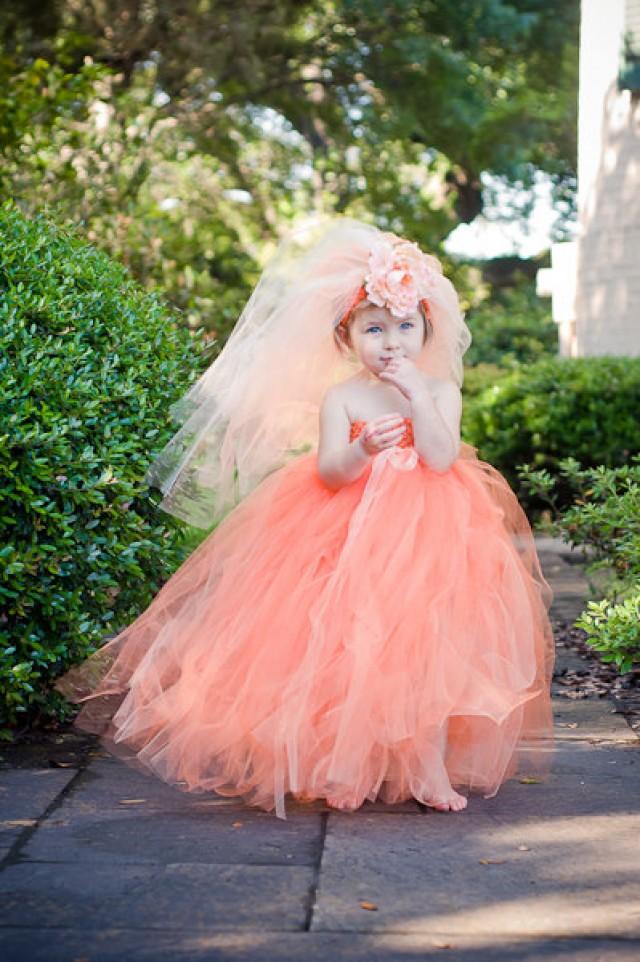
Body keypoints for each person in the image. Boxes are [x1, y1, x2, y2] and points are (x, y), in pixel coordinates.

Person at [55, 217, 555, 819]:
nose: (390, 341)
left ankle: (428, 770)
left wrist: (419, 399)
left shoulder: (439, 390)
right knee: (347, 647)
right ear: (348, 338)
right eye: (374, 328)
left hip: (428, 535)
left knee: (427, 648)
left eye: (404, 326)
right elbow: (331, 472)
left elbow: (443, 455)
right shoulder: (343, 397)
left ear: (427, 330)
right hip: (344, 534)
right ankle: (343, 763)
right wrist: (364, 447)